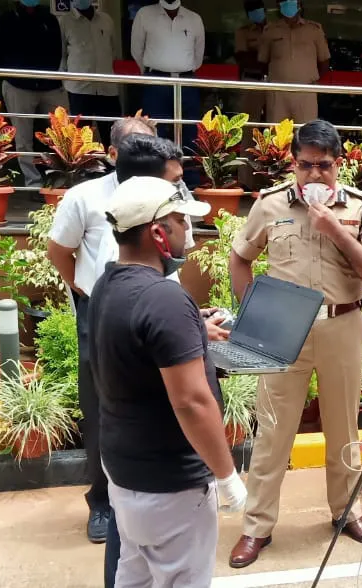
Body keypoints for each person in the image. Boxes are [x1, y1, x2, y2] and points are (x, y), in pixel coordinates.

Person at [227, 119, 362, 568]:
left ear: (338, 165)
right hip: (284, 332)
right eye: (305, 165)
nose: (314, 175)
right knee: (274, 431)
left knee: (344, 427)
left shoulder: (360, 208)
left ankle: (347, 511)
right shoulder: (270, 205)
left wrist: (334, 229)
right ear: (293, 163)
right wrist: (252, 317)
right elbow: (240, 258)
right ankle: (256, 525)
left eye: (324, 166)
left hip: (343, 324)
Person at [90, 175, 248, 586]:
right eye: (181, 221)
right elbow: (191, 402)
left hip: (125, 474)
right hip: (171, 487)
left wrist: (194, 326)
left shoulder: (106, 285)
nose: (188, 233)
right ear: (159, 232)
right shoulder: (165, 298)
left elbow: (139, 341)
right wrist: (227, 477)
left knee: (135, 574)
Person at [46, 124, 198, 544]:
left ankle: (153, 491)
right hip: (105, 309)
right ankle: (103, 503)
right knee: (102, 407)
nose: (179, 187)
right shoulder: (86, 197)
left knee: (158, 403)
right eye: (173, 179)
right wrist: (86, 292)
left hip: (161, 307)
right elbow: (59, 252)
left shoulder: (171, 198)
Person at [0, 0, 67, 189]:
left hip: (51, 86)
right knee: (23, 140)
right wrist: (11, 75)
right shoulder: (4, 20)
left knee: (64, 135)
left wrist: (49, 75)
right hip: (18, 86)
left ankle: (64, 180)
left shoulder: (48, 19)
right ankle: (33, 184)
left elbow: (58, 51)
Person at [131, 0, 205, 146]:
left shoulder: (194, 19)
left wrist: (181, 69)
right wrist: (152, 71)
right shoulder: (144, 14)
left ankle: (188, 168)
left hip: (187, 82)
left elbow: (198, 55)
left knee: (191, 130)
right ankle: (158, 168)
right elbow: (136, 50)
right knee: (155, 130)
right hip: (156, 82)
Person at [59, 0, 121, 143]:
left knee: (112, 132)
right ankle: (84, 165)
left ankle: (112, 164)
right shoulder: (65, 21)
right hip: (79, 88)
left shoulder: (106, 20)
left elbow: (113, 50)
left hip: (106, 86)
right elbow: (61, 54)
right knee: (80, 135)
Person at [259, 0, 330, 123]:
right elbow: (263, 62)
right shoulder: (270, 30)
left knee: (306, 135)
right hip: (278, 92)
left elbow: (324, 61)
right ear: (278, 5)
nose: (287, 4)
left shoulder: (314, 30)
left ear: (299, 4)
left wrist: (309, 79)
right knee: (275, 136)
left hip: (305, 91)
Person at [235, 0, 269, 122]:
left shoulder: (275, 30)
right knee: (249, 122)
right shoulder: (243, 32)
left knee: (273, 123)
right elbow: (242, 58)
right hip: (252, 80)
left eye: (257, 9)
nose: (255, 13)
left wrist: (255, 55)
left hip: (275, 81)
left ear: (264, 10)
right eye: (251, 11)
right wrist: (269, 60)